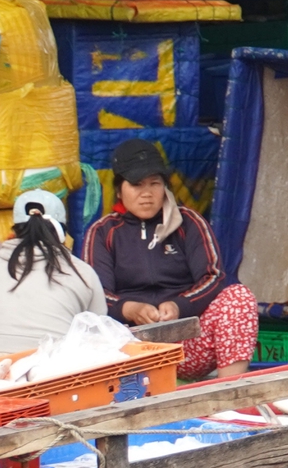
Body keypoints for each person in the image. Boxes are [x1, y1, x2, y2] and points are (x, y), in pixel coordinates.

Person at [81, 138, 258, 379]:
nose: (147, 194)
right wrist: (129, 308)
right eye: (136, 185)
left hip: (186, 344)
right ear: (119, 188)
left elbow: (213, 277)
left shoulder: (188, 223)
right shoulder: (103, 232)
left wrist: (179, 305)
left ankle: (229, 391)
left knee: (239, 297)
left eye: (155, 183)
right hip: (130, 348)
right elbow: (96, 294)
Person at [0, 189, 104, 358]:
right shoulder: (82, 272)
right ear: (62, 231)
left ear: (15, 231)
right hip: (50, 371)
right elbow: (98, 335)